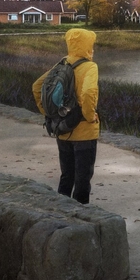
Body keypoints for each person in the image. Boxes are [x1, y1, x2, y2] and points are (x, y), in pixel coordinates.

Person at [33, 27, 100, 204]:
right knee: (83, 178)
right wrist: (89, 115)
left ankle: (61, 210)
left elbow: (37, 86)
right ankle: (82, 216)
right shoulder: (90, 66)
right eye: (91, 45)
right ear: (86, 46)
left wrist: (49, 113)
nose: (93, 49)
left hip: (62, 128)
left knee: (67, 175)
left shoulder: (62, 63)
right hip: (84, 133)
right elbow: (88, 93)